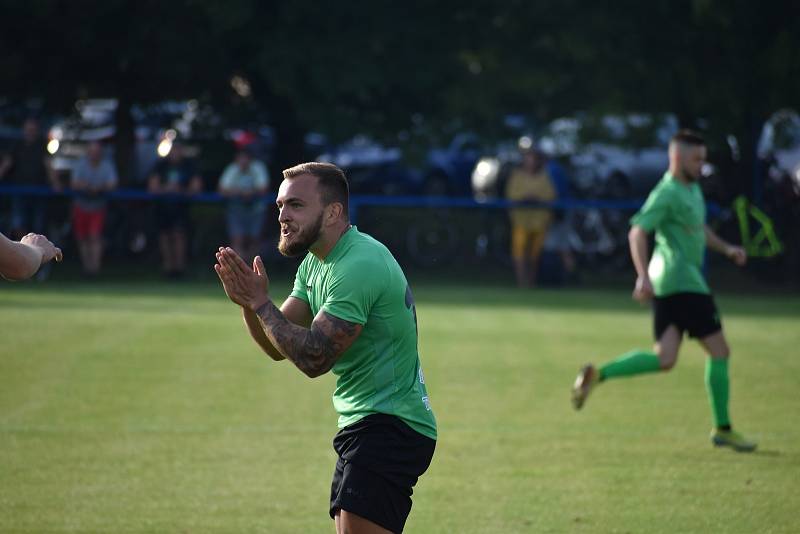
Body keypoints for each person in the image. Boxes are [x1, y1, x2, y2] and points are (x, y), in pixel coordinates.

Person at [215, 162, 436, 534]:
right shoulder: (316, 264)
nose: (282, 216)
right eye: (280, 205)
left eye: (296, 205)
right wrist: (249, 304)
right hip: (365, 423)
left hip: (390, 425)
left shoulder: (357, 264)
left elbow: (314, 357)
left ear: (333, 212)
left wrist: (260, 304)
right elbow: (277, 344)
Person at [571, 130, 757, 452]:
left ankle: (599, 374)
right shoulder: (667, 192)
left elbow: (698, 229)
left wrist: (727, 249)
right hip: (684, 283)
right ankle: (723, 428)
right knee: (720, 352)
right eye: (696, 159)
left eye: (703, 159)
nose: (701, 165)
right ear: (677, 158)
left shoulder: (691, 189)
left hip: (668, 285)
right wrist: (641, 276)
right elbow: (637, 232)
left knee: (665, 358)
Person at [505, 143, 557, 287]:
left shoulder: (544, 176)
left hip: (539, 221)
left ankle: (532, 282)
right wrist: (524, 198)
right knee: (519, 253)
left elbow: (550, 195)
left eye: (534, 159)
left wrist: (536, 198)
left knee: (535, 255)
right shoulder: (517, 176)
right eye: (528, 158)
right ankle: (521, 282)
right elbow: (512, 195)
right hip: (521, 220)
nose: (531, 162)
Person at [147, 143, 202, 278]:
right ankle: (168, 268)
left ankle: (179, 269)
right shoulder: (161, 165)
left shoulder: (189, 166)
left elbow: (196, 187)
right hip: (162, 208)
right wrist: (167, 189)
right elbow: (152, 187)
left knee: (179, 235)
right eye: (173, 151)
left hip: (181, 208)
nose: (175, 153)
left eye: (178, 150)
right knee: (164, 236)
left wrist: (181, 191)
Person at [0, 118, 61, 238]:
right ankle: (22, 250)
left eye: (32, 129)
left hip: (39, 190)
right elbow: (7, 163)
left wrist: (55, 182)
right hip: (19, 189)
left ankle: (37, 252)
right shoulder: (17, 144)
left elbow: (48, 164)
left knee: (38, 224)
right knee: (18, 222)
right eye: (28, 129)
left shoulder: (42, 145)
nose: (30, 132)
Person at [70, 141, 118, 276]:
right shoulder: (81, 164)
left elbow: (112, 184)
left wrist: (99, 188)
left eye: (97, 152)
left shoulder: (106, 165)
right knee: (82, 237)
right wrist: (88, 187)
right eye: (92, 152)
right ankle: (87, 268)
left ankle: (94, 269)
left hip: (98, 207)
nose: (94, 155)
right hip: (81, 206)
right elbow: (74, 183)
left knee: (94, 237)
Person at [217, 147, 269, 262]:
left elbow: (263, 189)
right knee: (237, 239)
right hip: (236, 210)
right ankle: (239, 270)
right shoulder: (232, 169)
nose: (243, 161)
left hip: (256, 210)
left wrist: (251, 193)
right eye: (240, 158)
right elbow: (222, 190)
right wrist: (241, 192)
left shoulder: (258, 167)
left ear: (250, 159)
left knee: (255, 240)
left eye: (245, 158)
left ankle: (252, 268)